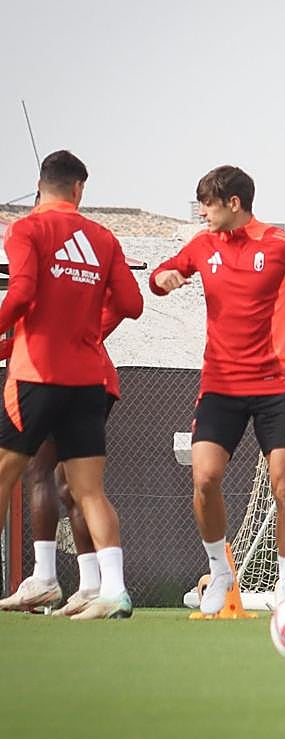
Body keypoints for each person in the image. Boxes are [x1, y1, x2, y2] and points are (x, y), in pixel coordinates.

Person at [150, 165, 285, 614]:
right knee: (204, 479)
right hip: (220, 385)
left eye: (208, 204)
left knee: (284, 484)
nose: (202, 213)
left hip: (274, 383)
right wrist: (163, 280)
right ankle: (220, 571)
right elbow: (159, 278)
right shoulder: (201, 246)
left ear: (233, 203)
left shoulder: (281, 246)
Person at [0, 150, 143, 619]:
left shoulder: (26, 229)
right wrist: (91, 331)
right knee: (88, 491)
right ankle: (114, 592)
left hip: (37, 375)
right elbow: (131, 301)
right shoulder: (103, 238)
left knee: (8, 474)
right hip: (87, 379)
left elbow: (20, 292)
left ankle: (49, 580)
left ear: (39, 188)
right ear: (79, 190)